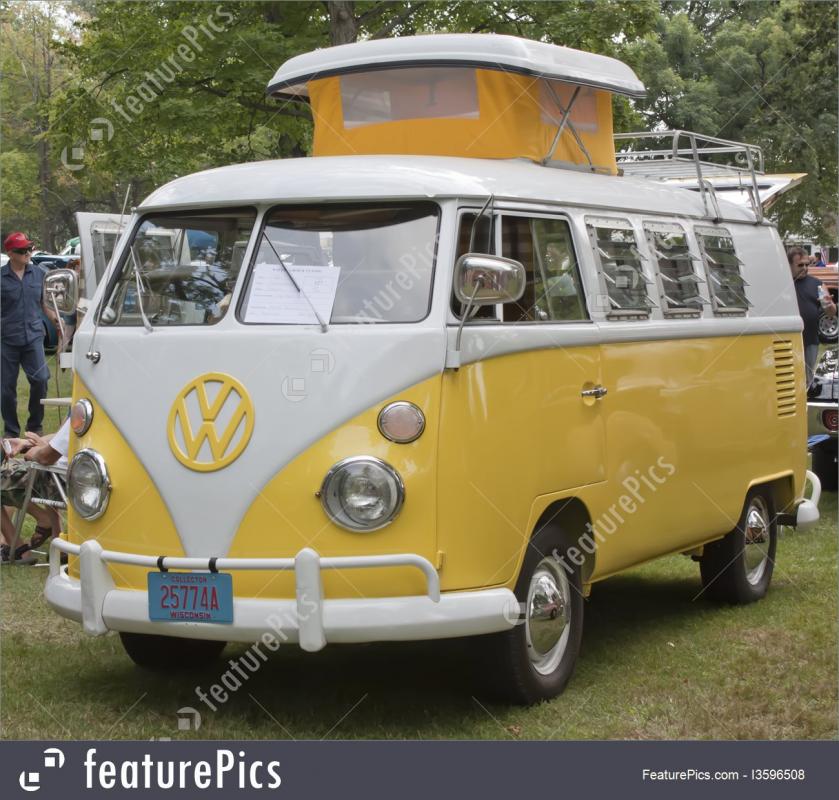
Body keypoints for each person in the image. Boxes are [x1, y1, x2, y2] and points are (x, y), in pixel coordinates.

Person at [1, 232, 58, 437]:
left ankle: (35, 426)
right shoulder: (1, 277)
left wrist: (57, 323)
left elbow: (45, 303)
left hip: (33, 336)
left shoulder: (39, 274)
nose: (27, 253)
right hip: (6, 339)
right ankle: (11, 431)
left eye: (29, 249)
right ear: (10, 253)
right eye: (21, 250)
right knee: (6, 389)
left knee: (41, 379)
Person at [0, 418, 70, 563]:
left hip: (60, 480)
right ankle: (56, 536)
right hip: (82, 480)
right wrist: (27, 443)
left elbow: (44, 457)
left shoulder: (81, 413)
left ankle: (17, 549)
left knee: (15, 470)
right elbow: (60, 439)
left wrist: (34, 450)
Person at [788, 246, 837, 387]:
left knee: (807, 379)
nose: (804, 268)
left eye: (806, 264)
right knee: (788, 378)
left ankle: (806, 404)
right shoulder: (782, 283)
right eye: (800, 265)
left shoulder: (817, 284)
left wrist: (829, 306)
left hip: (810, 341)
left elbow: (831, 313)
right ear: (789, 264)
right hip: (786, 340)